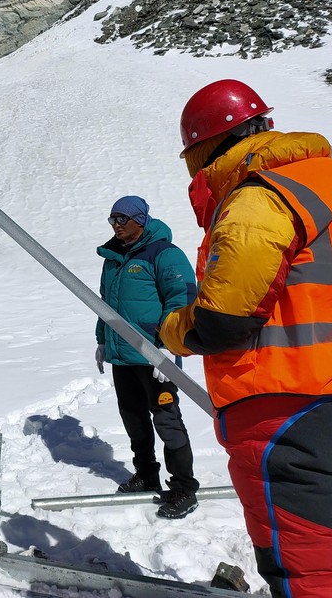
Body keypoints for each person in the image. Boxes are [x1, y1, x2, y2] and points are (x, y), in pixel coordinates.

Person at [159, 79, 332, 598]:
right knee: (327, 546)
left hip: (287, 413)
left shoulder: (260, 197)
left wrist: (174, 329)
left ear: (206, 148)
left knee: (308, 572)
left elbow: (224, 320)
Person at [95, 195, 200, 519]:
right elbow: (105, 305)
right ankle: (147, 474)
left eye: (122, 219)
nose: (116, 225)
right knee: (133, 418)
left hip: (156, 355)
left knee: (167, 420)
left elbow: (181, 298)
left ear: (140, 220)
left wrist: (170, 347)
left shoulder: (164, 254)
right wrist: (102, 341)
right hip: (123, 356)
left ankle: (183, 488)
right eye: (112, 219)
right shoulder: (113, 258)